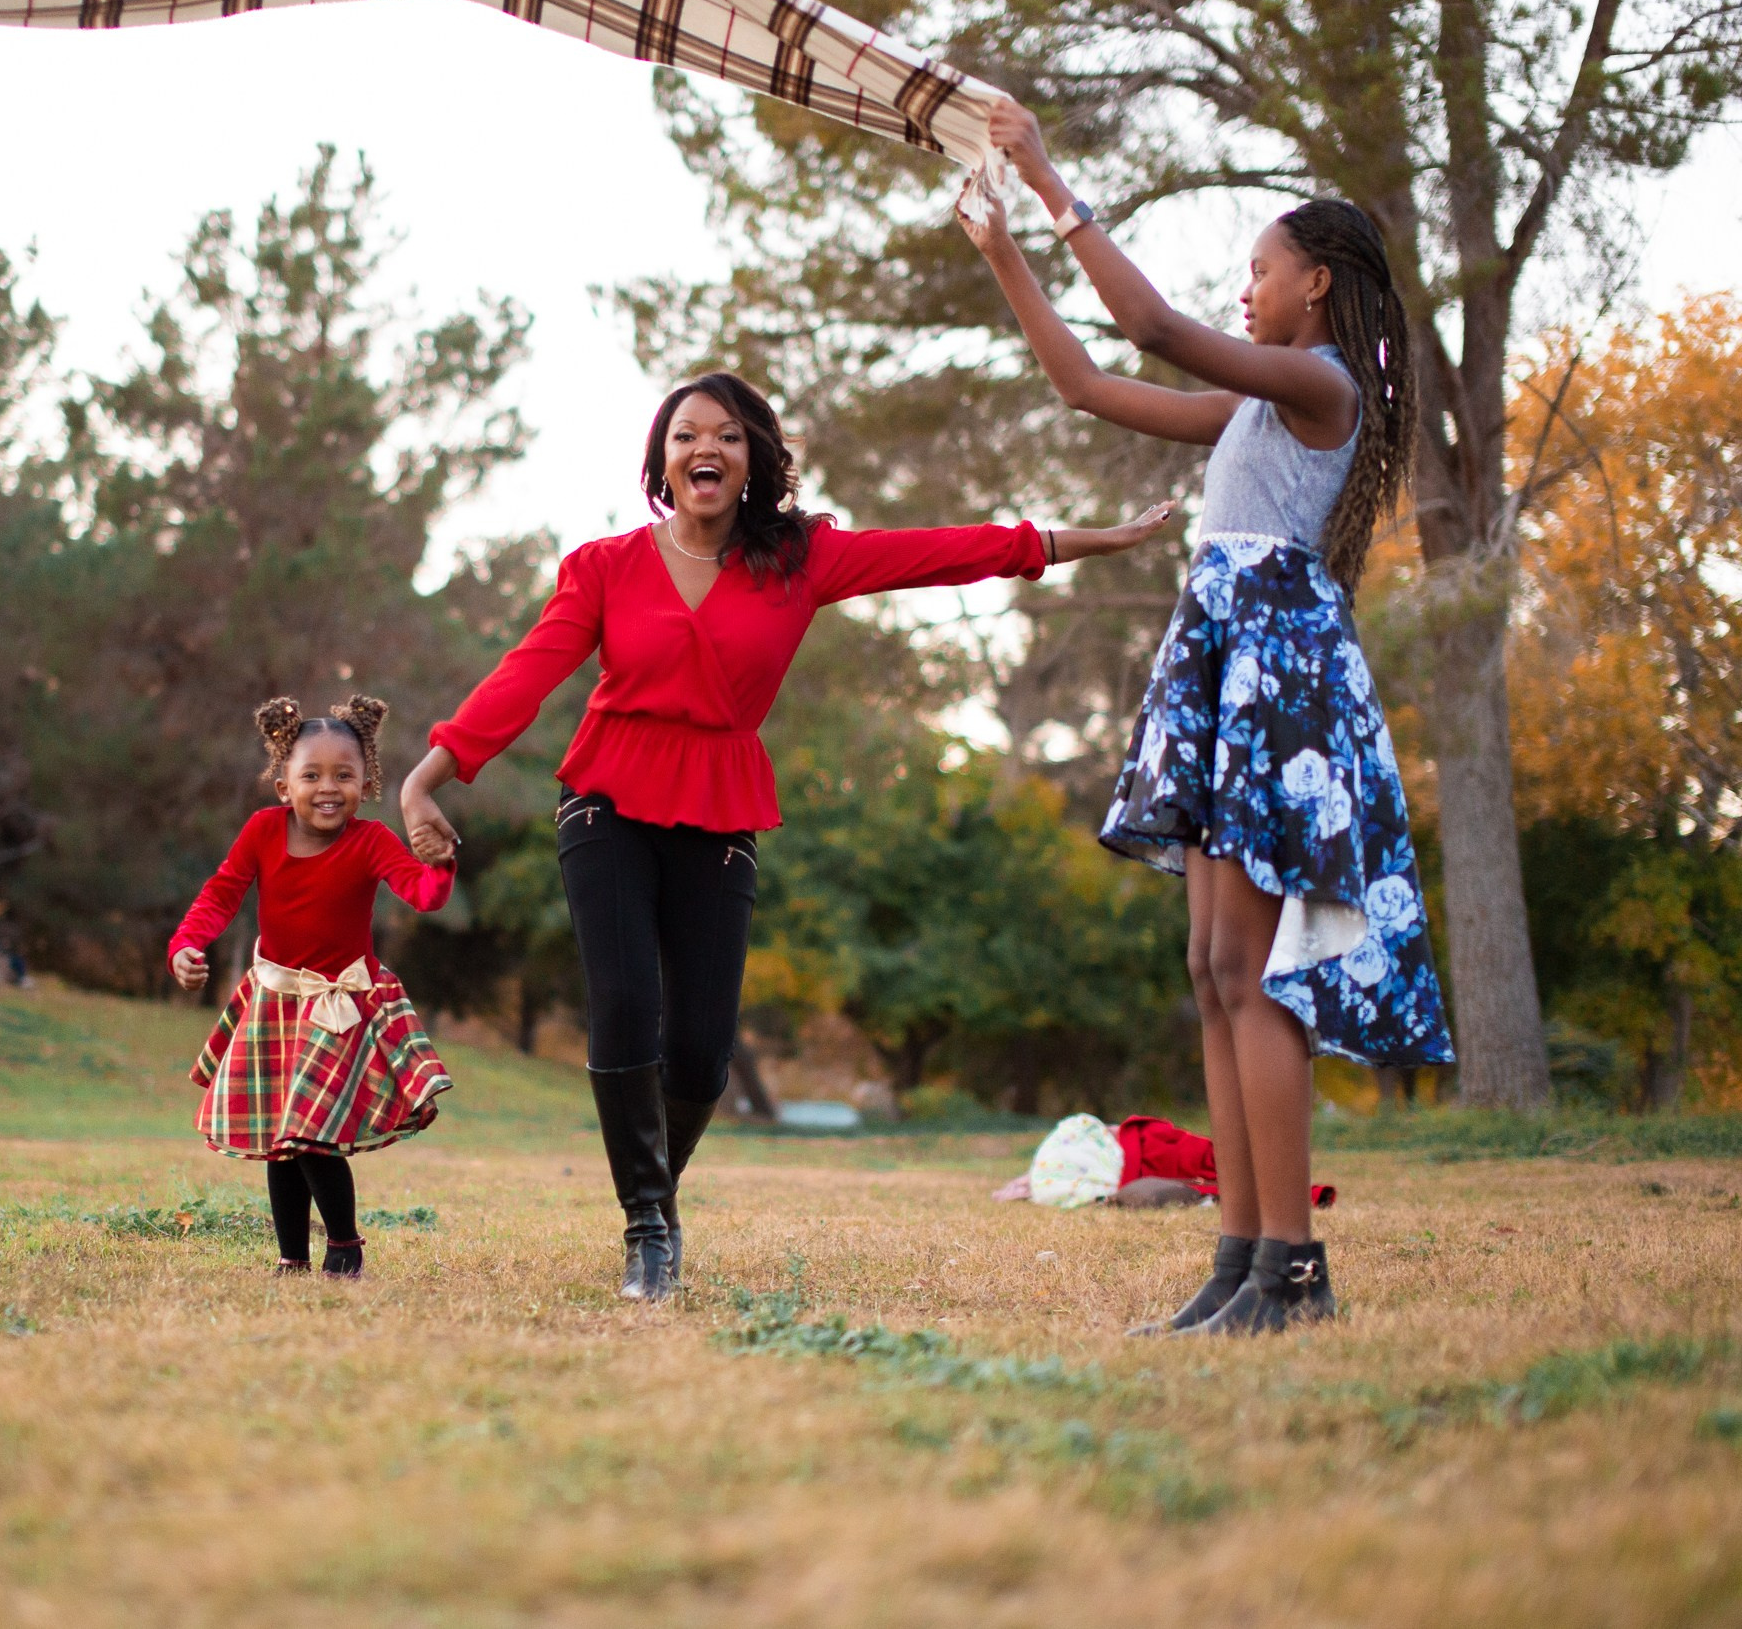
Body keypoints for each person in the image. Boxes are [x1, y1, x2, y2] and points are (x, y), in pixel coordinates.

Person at [400, 372, 1176, 1301]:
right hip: (607, 799)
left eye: (728, 436)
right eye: (687, 435)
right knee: (623, 1005)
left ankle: (657, 1190)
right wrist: (427, 776)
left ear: (753, 460)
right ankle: (647, 1225)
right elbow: (524, 677)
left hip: (721, 805)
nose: (706, 450)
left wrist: (1099, 538)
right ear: (661, 461)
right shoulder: (604, 566)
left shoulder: (798, 559)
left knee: (700, 1050)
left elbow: (945, 553)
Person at [957, 99, 1456, 1336]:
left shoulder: (1319, 384)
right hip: (1225, 668)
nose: (1246, 293)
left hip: (1276, 681)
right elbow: (1085, 381)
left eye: (1260, 271)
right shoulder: (1255, 406)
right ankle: (1240, 1260)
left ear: (1317, 289)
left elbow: (1149, 324)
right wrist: (1003, 250)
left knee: (1257, 974)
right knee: (1212, 964)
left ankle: (1292, 1267)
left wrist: (1045, 172)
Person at [169, 697, 456, 1279]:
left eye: (344, 775)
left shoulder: (371, 841)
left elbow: (423, 895)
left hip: (339, 1008)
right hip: (273, 1002)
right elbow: (221, 893)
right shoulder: (262, 831)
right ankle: (292, 1257)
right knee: (283, 1135)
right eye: (312, 775)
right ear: (283, 787)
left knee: (312, 1134)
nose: (329, 788)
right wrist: (185, 945)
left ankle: (345, 1247)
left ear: (367, 782)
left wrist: (442, 860)